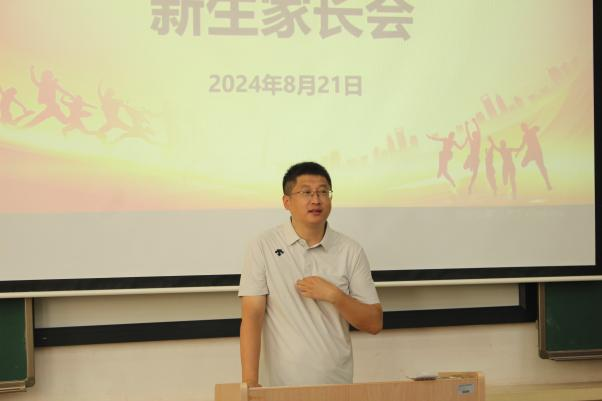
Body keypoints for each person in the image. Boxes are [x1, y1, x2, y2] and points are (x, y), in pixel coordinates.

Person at [238, 162, 382, 388]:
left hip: (336, 385)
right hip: (279, 387)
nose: (316, 200)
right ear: (287, 202)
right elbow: (252, 317)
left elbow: (374, 323)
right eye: (306, 192)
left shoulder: (350, 250)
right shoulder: (263, 246)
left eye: (323, 192)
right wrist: (249, 382)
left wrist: (335, 296)